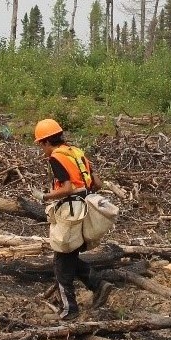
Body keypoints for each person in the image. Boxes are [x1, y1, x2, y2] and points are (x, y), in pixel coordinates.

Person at [32, 118, 113, 320]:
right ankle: (98, 284)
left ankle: (70, 310)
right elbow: (97, 183)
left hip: (70, 212)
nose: (42, 150)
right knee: (70, 255)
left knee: (61, 260)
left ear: (45, 142)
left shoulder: (56, 158)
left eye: (41, 146)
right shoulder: (76, 152)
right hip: (84, 208)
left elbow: (66, 188)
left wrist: (44, 196)